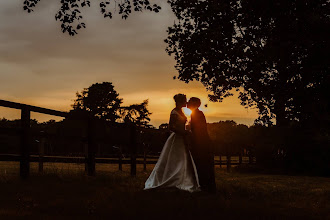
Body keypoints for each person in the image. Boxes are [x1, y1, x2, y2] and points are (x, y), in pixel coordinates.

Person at [144, 94, 200, 192]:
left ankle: (181, 180)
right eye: (184, 101)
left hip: (182, 138)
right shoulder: (174, 112)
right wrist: (182, 132)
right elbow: (171, 127)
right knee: (175, 159)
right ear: (180, 101)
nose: (186, 102)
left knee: (183, 159)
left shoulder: (181, 111)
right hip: (177, 138)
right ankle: (172, 180)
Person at [187, 97, 216, 193]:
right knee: (201, 165)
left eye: (190, 102)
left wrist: (192, 139)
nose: (188, 103)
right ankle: (205, 186)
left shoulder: (197, 114)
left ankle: (206, 186)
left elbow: (199, 131)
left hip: (201, 143)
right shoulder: (195, 113)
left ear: (195, 104)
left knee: (203, 164)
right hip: (200, 143)